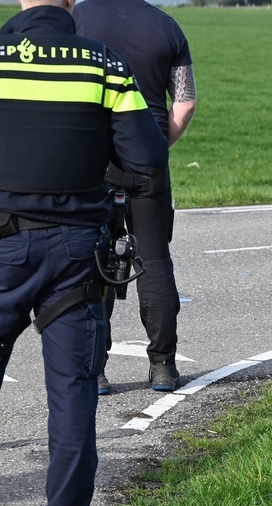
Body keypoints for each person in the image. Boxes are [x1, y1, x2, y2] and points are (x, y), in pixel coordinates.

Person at [0, 0, 168, 506]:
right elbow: (147, 160)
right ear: (71, 4)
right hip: (75, 256)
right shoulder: (106, 66)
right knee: (73, 396)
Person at [74, 0, 197, 393]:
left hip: (95, 159)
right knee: (155, 260)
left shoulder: (79, 16)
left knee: (95, 260)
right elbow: (186, 100)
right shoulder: (167, 26)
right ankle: (163, 366)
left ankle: (96, 370)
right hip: (149, 161)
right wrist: (158, 147)